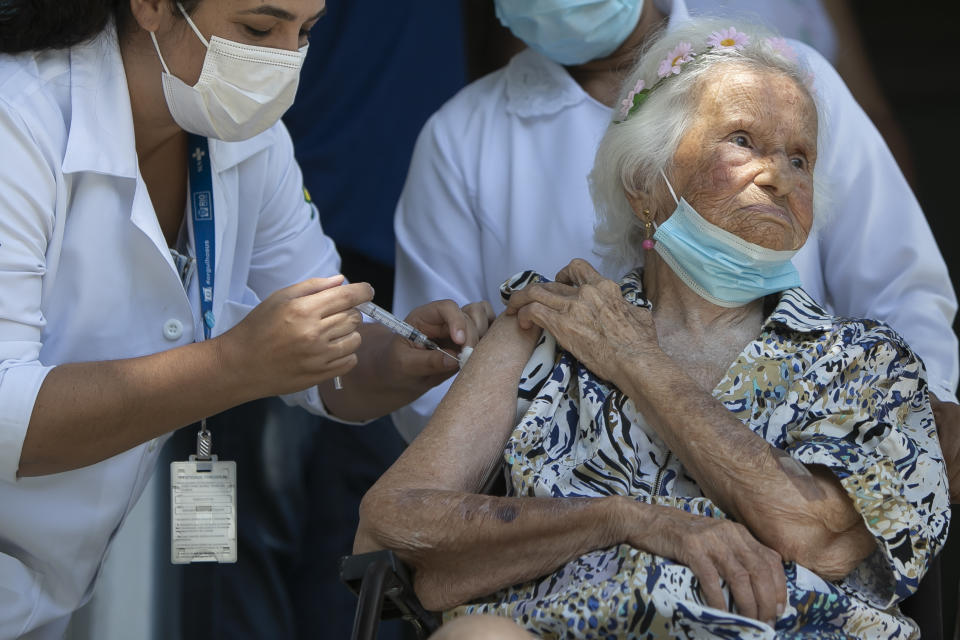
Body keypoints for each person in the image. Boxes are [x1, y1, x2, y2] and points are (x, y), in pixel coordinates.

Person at [357, 21, 951, 637]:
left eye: (799, 158)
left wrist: (638, 361)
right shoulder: (549, 325)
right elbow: (391, 523)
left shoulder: (870, 364)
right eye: (742, 141)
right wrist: (620, 519)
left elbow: (814, 535)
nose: (778, 175)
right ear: (645, 184)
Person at [0, 1, 481, 636]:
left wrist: (394, 360)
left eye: (306, 33)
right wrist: (233, 366)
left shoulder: (246, 136)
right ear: (149, 5)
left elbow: (327, 350)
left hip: (42, 594)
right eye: (258, 29)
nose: (283, 60)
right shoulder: (19, 121)